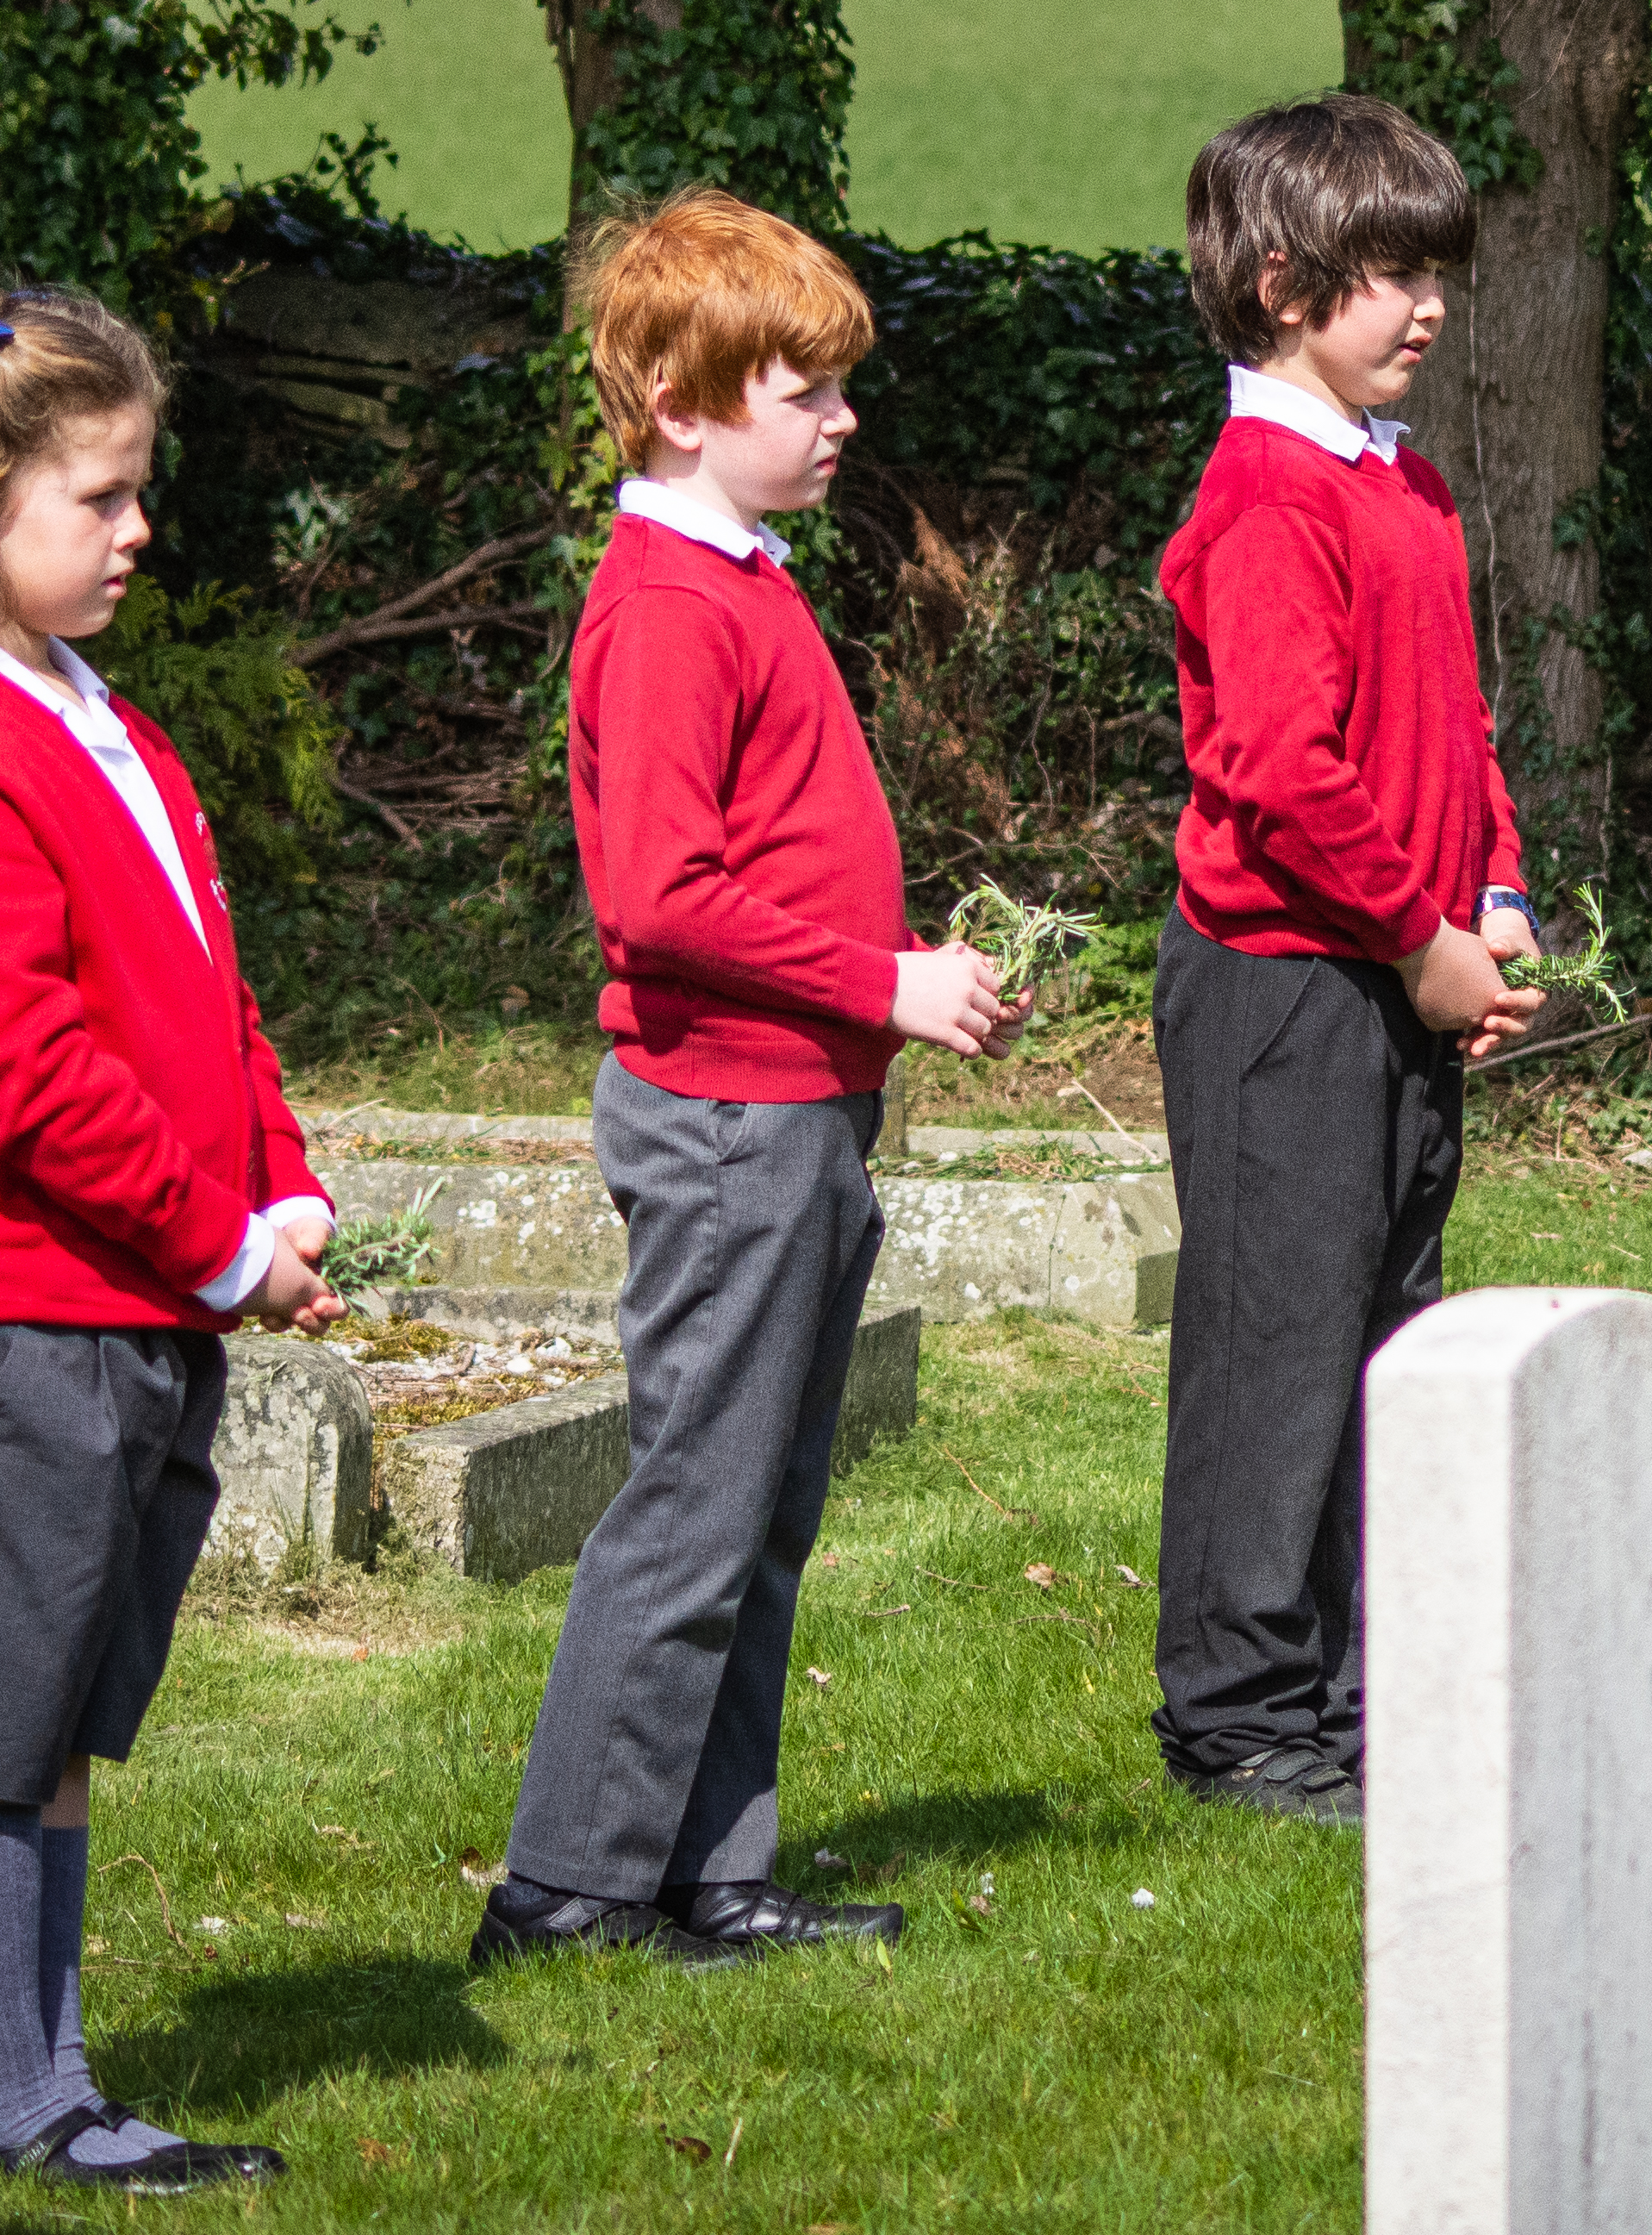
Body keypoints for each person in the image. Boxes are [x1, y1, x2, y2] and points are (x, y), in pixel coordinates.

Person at [0, 284, 334, 2192]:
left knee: (61, 1714)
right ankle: (3, 2097)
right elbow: (21, 1071)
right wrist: (217, 1245)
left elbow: (208, 996)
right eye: (98, 495)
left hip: (133, 1305)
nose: (136, 528)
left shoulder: (109, 723)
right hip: (18, 1312)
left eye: (138, 488)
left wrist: (281, 1181)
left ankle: (46, 2072)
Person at [473, 190, 1018, 1967]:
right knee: (697, 1504)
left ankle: (710, 1867)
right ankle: (567, 1886)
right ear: (683, 401)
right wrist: (885, 980)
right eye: (807, 389)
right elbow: (661, 893)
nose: (843, 418)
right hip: (727, 1115)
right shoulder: (665, 608)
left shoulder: (743, 574)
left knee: (763, 1502)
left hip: (796, 1105)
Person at [1145, 97, 1545, 1825]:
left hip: (1401, 958)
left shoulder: (1406, 478)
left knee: (1387, 1324)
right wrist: (1417, 934)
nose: (1431, 306)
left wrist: (1498, 892)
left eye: (1437, 269)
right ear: (1286, 284)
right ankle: (1241, 1708)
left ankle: (1367, 1687)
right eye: (1395, 273)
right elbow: (1281, 771)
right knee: (1277, 1343)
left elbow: (1449, 728)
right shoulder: (1263, 497)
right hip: (1286, 982)